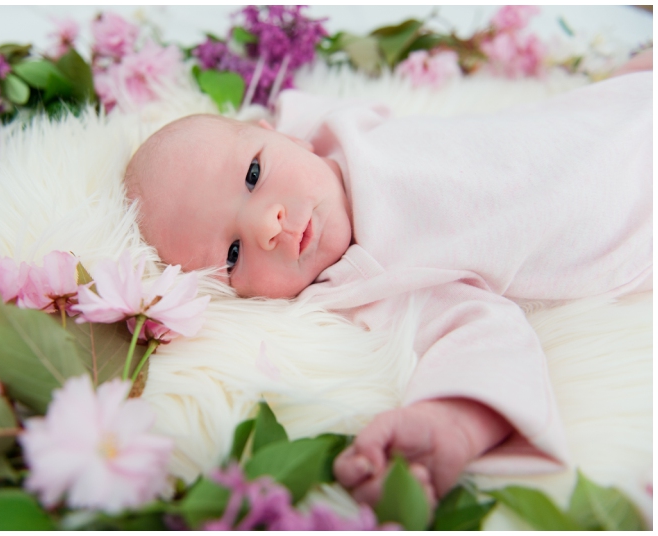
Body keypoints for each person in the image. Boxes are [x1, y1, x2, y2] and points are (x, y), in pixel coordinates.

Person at [124, 50, 652, 507]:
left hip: (616, 104)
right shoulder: (369, 278)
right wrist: (453, 424)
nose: (268, 224)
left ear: (283, 137)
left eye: (254, 176)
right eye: (234, 253)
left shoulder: (337, 133)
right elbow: (481, 334)